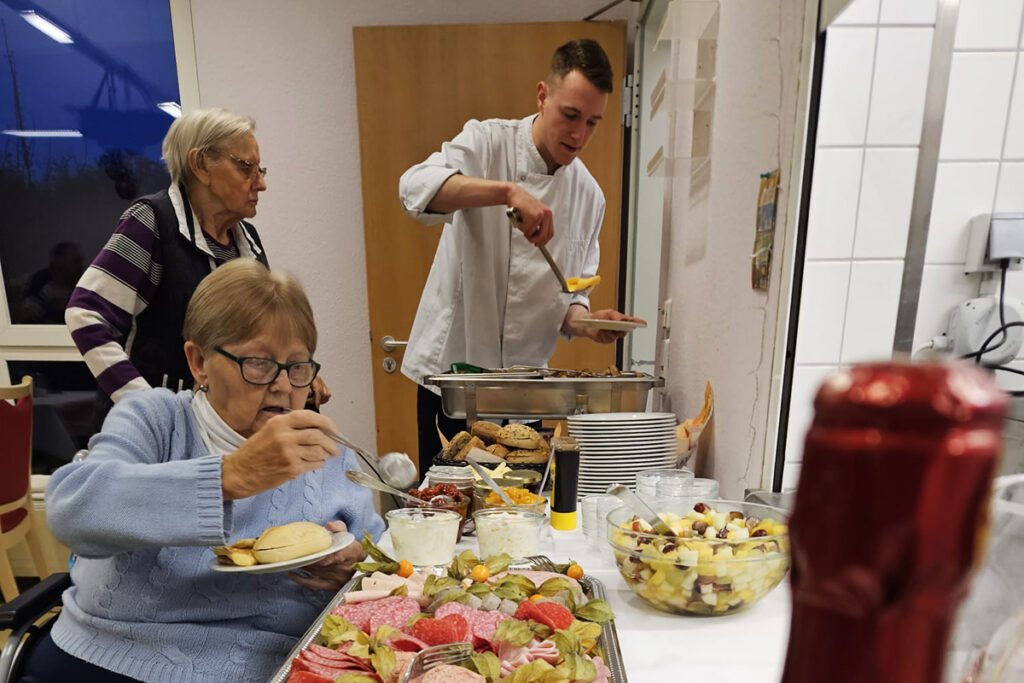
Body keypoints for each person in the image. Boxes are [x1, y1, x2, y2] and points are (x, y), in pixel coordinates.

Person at [18, 260, 384, 682]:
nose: (284, 386)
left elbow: (382, 568)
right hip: (111, 655)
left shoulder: (325, 451)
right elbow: (72, 511)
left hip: (273, 666)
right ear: (199, 363)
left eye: (298, 366)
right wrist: (228, 476)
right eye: (259, 363)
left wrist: (354, 570)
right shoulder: (156, 420)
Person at [398, 39, 645, 472]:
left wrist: (588, 323)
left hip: (524, 393)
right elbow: (414, 189)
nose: (579, 135)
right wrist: (506, 192)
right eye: (570, 115)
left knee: (523, 504)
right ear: (542, 96)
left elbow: (568, 299)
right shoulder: (488, 142)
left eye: (592, 122)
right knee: (451, 500)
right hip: (454, 385)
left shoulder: (589, 196)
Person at [65, 107, 330, 430]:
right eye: (246, 168)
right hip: (152, 434)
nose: (260, 184)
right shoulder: (151, 223)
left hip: (217, 429)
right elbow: (85, 315)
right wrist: (146, 407)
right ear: (202, 165)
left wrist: (296, 372)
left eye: (260, 170)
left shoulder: (246, 241)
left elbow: (265, 333)